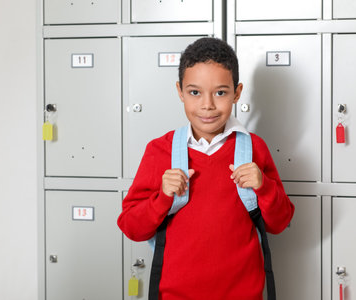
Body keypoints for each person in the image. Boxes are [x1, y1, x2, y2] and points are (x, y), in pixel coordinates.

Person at [118, 37, 294, 300]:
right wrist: (162, 198)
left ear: (237, 92)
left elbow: (280, 223)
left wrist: (263, 186)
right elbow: (131, 227)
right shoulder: (159, 151)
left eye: (221, 92)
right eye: (194, 92)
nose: (207, 105)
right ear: (179, 91)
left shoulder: (254, 148)